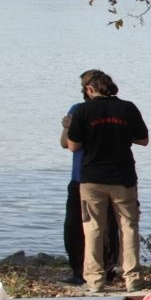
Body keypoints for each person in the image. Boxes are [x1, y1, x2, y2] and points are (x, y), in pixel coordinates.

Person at [66, 70, 149, 294]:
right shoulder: (127, 108)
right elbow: (143, 139)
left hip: (92, 178)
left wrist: (69, 127)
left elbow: (73, 145)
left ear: (90, 89)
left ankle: (95, 280)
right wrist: (122, 135)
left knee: (93, 228)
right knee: (129, 226)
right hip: (123, 177)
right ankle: (133, 278)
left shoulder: (83, 110)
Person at [60, 96, 121, 286]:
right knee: (75, 226)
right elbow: (66, 144)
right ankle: (79, 270)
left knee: (106, 228)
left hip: (105, 177)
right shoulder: (76, 109)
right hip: (79, 177)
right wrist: (68, 127)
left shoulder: (115, 111)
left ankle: (106, 270)